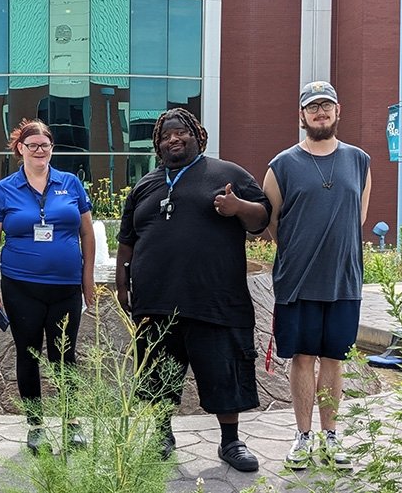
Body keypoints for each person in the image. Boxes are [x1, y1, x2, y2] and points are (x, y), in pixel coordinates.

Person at [115, 107, 270, 472]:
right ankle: (161, 434)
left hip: (214, 299)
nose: (173, 138)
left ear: (198, 136)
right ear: (157, 144)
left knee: (223, 372)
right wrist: (123, 285)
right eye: (166, 135)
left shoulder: (227, 173)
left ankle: (230, 441)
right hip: (156, 302)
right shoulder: (145, 185)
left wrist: (238, 206)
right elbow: (127, 240)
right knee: (157, 373)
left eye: (181, 132)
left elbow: (261, 217)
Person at [263, 81, 371, 471]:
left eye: (327, 106)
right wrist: (299, 250)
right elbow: (271, 223)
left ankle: (331, 437)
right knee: (303, 358)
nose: (320, 112)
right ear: (301, 116)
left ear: (338, 111)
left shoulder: (360, 160)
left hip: (343, 280)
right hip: (297, 282)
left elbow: (357, 219)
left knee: (334, 359)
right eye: (313, 107)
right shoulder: (282, 165)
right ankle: (303, 437)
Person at [0, 118, 95, 454]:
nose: (39, 150)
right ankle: (35, 426)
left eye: (45, 144)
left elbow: (87, 233)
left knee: (65, 356)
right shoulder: (5, 189)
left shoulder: (70, 183)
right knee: (28, 354)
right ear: (20, 148)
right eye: (32, 145)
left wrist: (87, 280)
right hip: (22, 287)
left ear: (51, 148)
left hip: (66, 287)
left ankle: (72, 424)